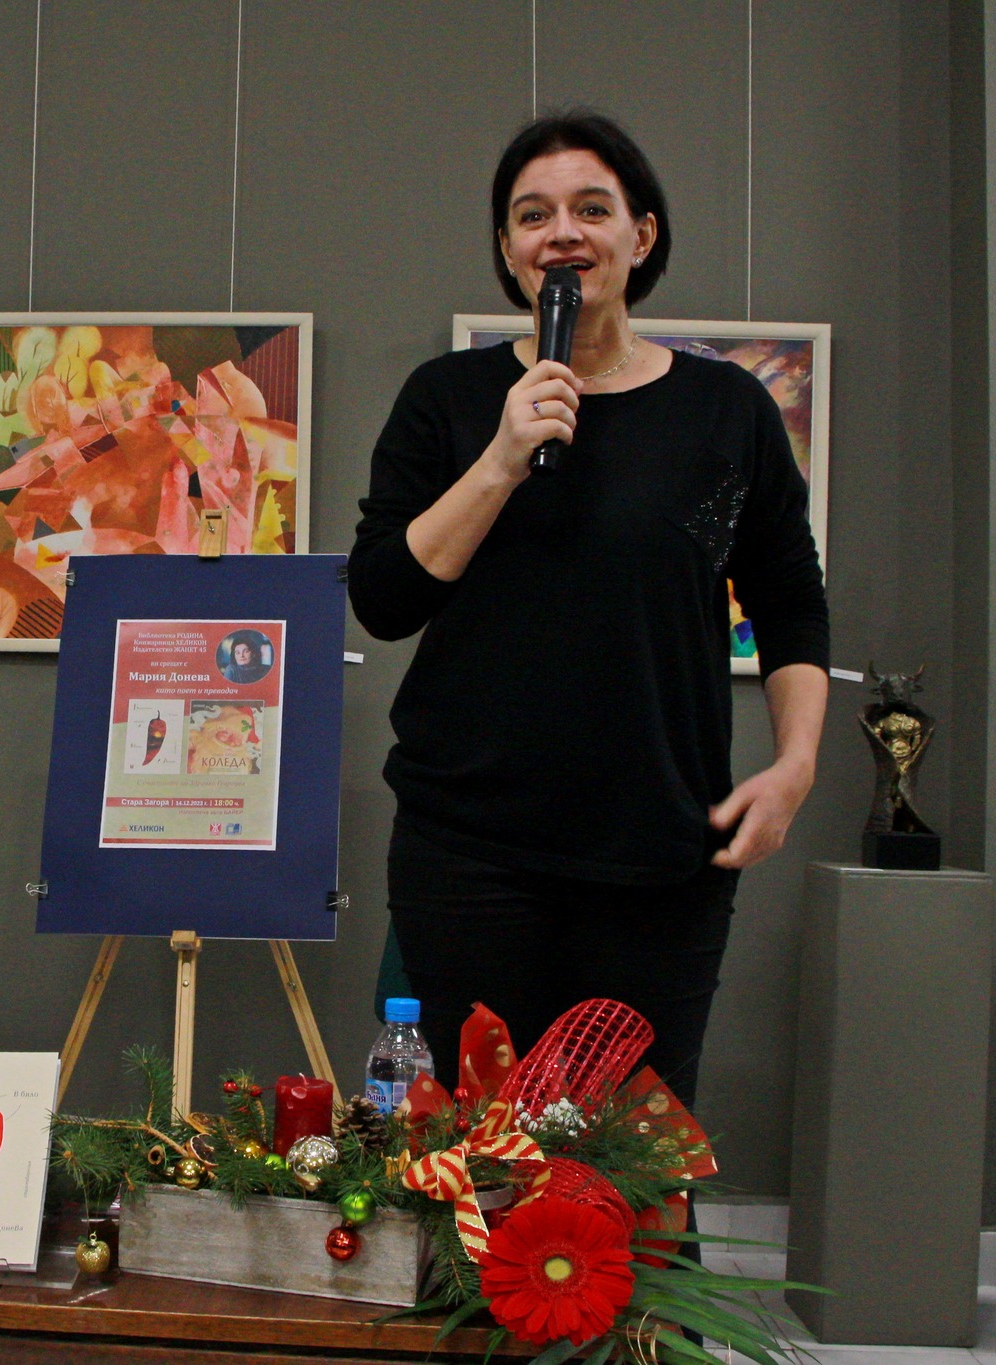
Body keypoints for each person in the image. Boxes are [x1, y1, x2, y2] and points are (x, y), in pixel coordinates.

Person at [349, 111, 829, 1113]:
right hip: (468, 851)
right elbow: (383, 598)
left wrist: (794, 767)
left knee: (631, 1158)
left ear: (640, 236)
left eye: (589, 209)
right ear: (507, 250)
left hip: (659, 855)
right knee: (479, 1152)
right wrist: (499, 459)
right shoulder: (448, 399)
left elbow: (789, 599)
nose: (560, 232)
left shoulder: (726, 411)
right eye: (532, 216)